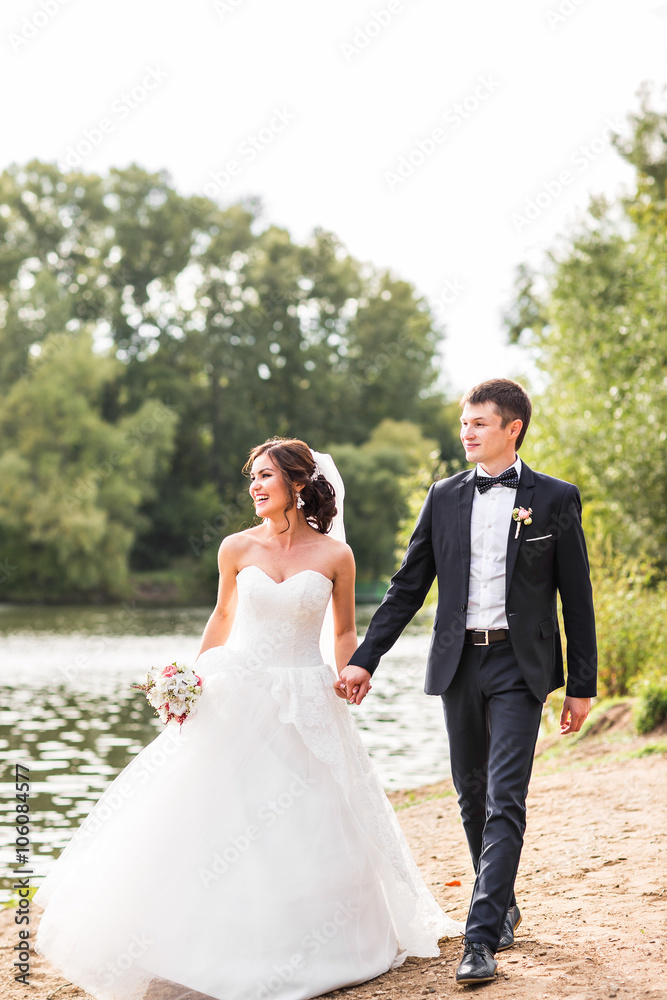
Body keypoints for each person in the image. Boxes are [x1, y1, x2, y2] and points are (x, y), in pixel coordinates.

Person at [34, 437, 462, 1000]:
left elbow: (340, 630)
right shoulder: (236, 548)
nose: (255, 486)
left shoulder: (336, 556)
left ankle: (317, 942)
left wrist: (353, 670)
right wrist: (190, 681)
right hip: (238, 692)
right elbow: (222, 615)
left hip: (309, 694)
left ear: (299, 484)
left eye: (266, 476)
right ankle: (199, 944)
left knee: (311, 817)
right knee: (220, 817)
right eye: (252, 477)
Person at [338, 378, 597, 986]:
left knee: (507, 795)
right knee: (471, 792)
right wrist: (364, 658)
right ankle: (500, 899)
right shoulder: (443, 496)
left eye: (479, 423)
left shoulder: (555, 499)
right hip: (459, 663)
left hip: (520, 667)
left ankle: (479, 940)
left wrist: (581, 683)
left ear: (514, 429)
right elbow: (407, 586)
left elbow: (577, 599)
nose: (466, 432)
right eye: (463, 422)